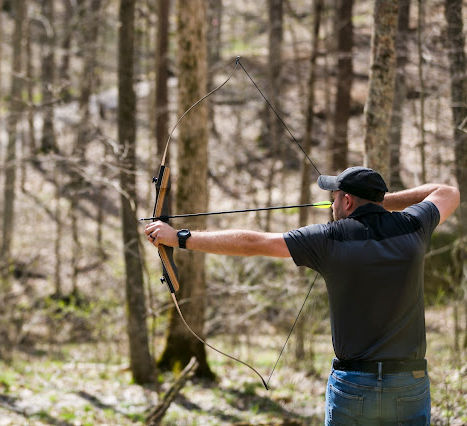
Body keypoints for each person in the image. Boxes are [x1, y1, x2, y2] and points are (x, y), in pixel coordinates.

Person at [145, 166, 460, 424]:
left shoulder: (329, 238)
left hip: (354, 384)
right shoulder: (414, 225)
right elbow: (448, 192)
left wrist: (180, 238)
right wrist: (380, 202)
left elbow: (254, 243)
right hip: (409, 381)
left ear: (348, 201)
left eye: (335, 197)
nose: (332, 204)